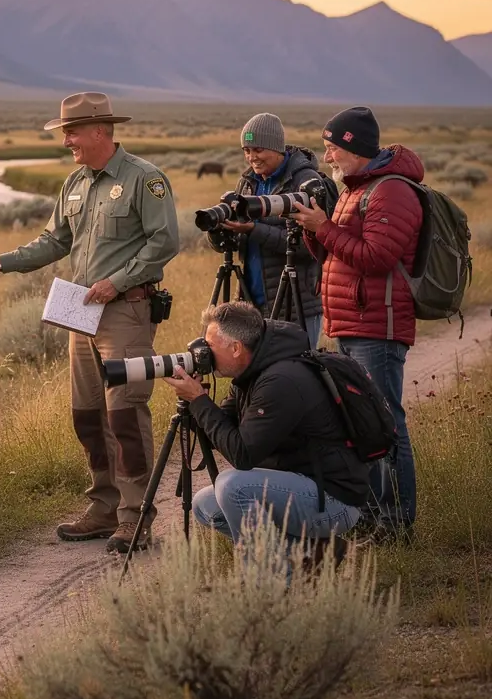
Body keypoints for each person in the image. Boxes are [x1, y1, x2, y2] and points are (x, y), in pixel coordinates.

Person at [0, 92, 179, 554]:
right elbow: (54, 240)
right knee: (88, 414)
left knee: (126, 414)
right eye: (64, 133)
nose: (66, 141)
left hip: (127, 311)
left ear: (100, 131)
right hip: (81, 313)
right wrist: (2, 262)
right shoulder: (74, 183)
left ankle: (135, 518)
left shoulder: (145, 180)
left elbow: (164, 241)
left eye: (71, 132)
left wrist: (116, 282)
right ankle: (103, 508)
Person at [291, 105, 424, 536]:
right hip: (352, 322)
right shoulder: (355, 188)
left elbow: (377, 258)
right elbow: (335, 256)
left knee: (386, 425)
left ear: (353, 146)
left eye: (331, 148)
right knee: (362, 423)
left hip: (377, 327)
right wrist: (316, 230)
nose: (326, 157)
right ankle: (370, 514)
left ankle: (397, 521)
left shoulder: (391, 191)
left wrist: (324, 226)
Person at [163, 302, 368, 553]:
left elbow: (242, 455)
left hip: (334, 501)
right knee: (206, 505)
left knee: (232, 486)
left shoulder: (280, 381)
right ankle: (310, 552)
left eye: (210, 346)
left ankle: (267, 581)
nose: (203, 353)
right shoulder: (250, 371)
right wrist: (195, 403)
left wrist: (199, 401)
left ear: (236, 348)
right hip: (300, 485)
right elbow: (222, 428)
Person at [210, 113, 333, 347]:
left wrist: (253, 229)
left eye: (257, 150)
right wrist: (220, 231)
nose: (251, 157)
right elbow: (236, 242)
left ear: (276, 147)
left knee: (297, 374)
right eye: (246, 150)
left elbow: (311, 247)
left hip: (296, 303)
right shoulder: (248, 182)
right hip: (252, 301)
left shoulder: (305, 181)